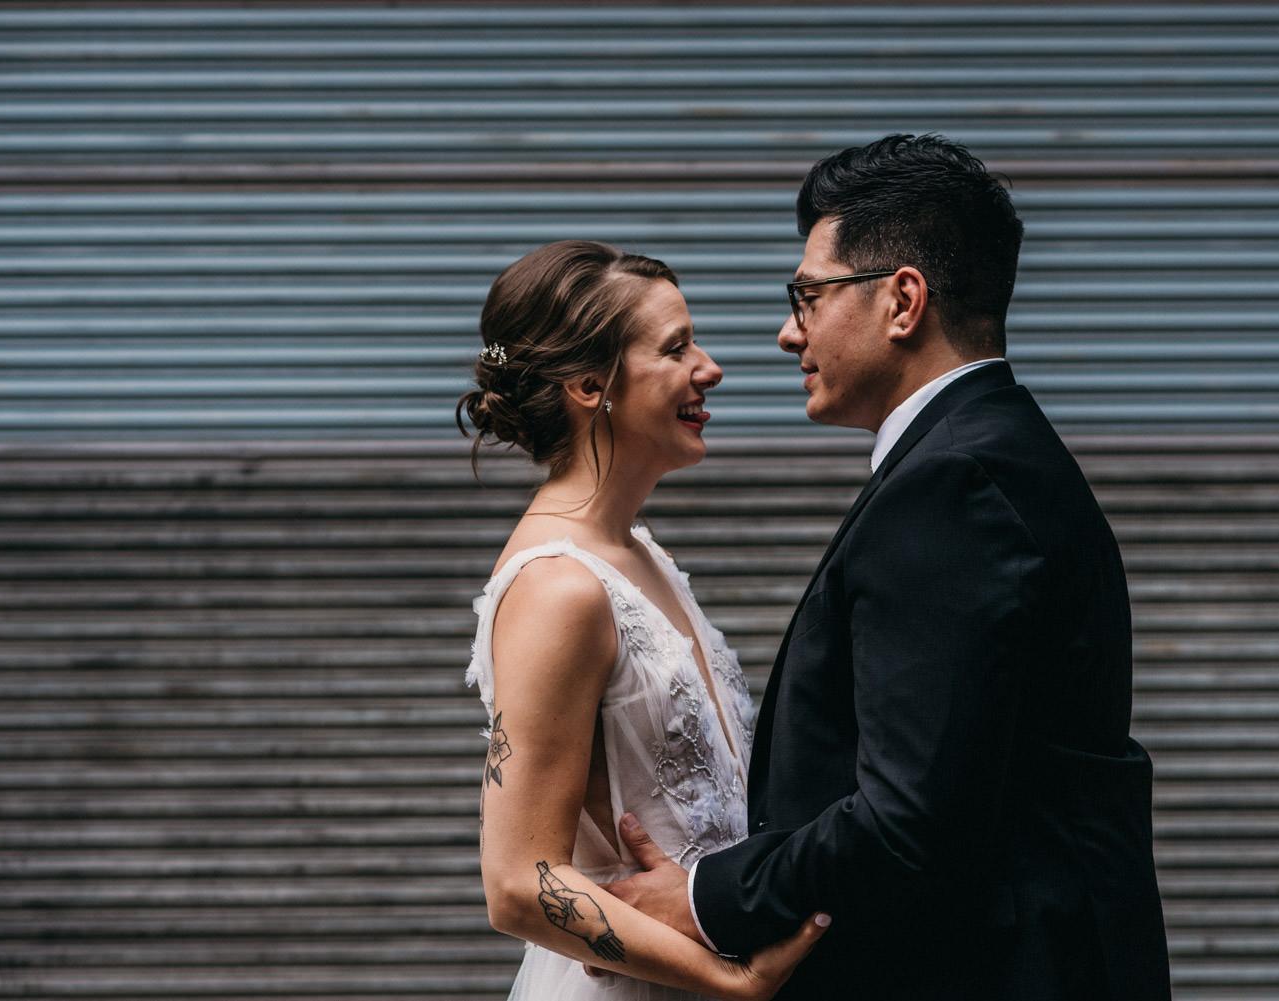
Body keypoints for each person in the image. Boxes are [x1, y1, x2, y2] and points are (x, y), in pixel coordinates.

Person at [602, 135, 1173, 999]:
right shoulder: (996, 455)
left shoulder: (955, 487)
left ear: (904, 300)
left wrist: (702, 896)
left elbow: (912, 821)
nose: (788, 332)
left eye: (808, 294)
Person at [458, 240, 828, 1001]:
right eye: (677, 347)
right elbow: (516, 881)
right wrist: (728, 978)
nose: (711, 367)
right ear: (592, 384)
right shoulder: (559, 589)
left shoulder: (638, 552)